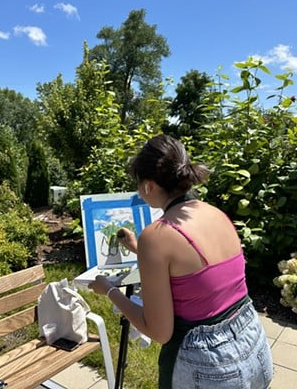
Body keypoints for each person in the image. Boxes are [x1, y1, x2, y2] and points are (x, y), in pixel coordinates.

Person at [88, 134, 273, 388]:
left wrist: (109, 290)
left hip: (211, 366)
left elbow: (159, 331)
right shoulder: (215, 213)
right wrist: (137, 247)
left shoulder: (157, 236)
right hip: (254, 346)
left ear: (148, 186)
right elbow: (198, 270)